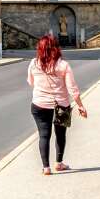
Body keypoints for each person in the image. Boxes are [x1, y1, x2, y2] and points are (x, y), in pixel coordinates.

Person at [28, 33, 87, 175]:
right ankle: (59, 163)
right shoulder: (63, 65)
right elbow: (72, 89)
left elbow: (31, 82)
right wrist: (80, 105)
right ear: (55, 48)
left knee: (44, 135)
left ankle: (46, 167)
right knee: (60, 135)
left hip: (39, 104)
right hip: (61, 105)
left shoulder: (34, 63)